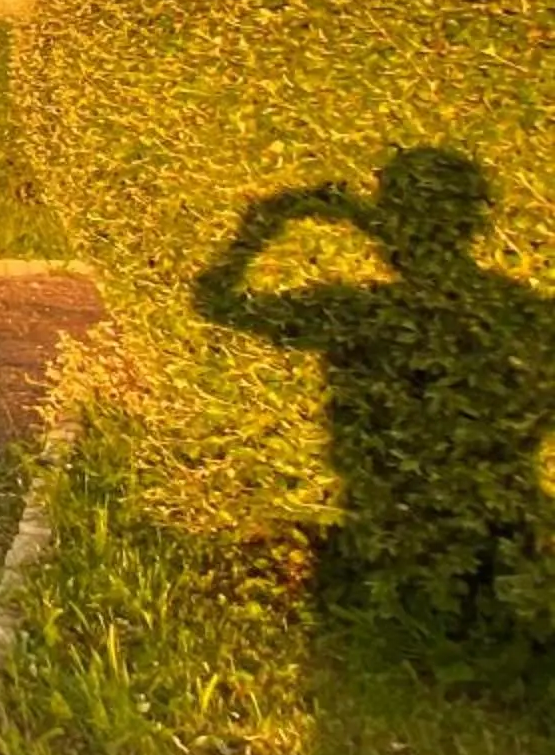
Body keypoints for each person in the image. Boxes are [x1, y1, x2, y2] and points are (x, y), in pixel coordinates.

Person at [196, 148, 555, 641]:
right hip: (510, 548)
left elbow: (216, 300)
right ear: (476, 221)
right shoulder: (530, 317)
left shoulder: (358, 315)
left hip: (385, 554)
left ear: (391, 222)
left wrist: (272, 217)